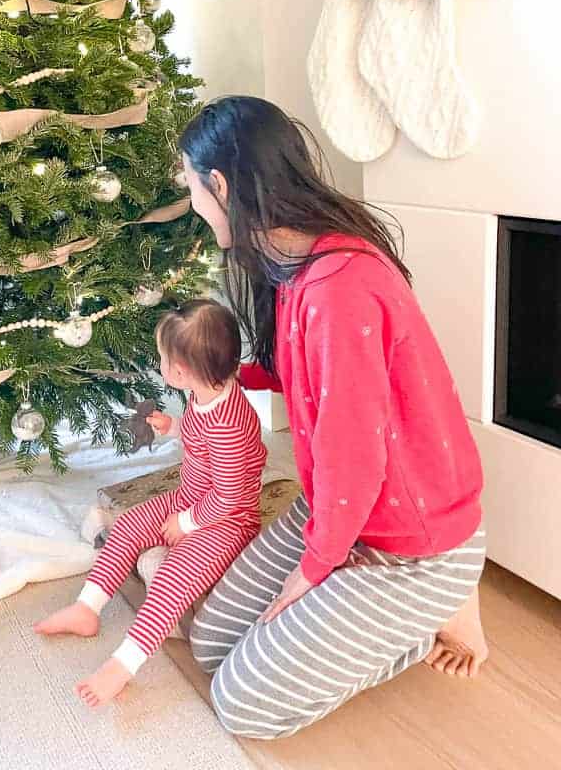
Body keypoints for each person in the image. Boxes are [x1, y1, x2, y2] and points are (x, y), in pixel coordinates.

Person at [179, 96, 488, 741]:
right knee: (209, 643)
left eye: (193, 191)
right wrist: (214, 373)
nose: (195, 210)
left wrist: (314, 568)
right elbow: (305, 375)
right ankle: (380, 607)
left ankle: (437, 609)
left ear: (222, 185)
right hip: (343, 510)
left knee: (242, 704)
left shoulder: (339, 288)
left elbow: (356, 456)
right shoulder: (296, 264)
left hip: (411, 545)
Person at [34, 298, 267, 707]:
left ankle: (123, 664)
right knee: (126, 527)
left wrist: (189, 524)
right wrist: (171, 426)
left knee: (171, 576)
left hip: (227, 519)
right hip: (192, 496)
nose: (160, 364)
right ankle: (87, 608)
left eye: (162, 358)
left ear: (179, 371)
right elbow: (200, 439)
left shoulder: (230, 422)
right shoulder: (206, 393)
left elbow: (230, 496)